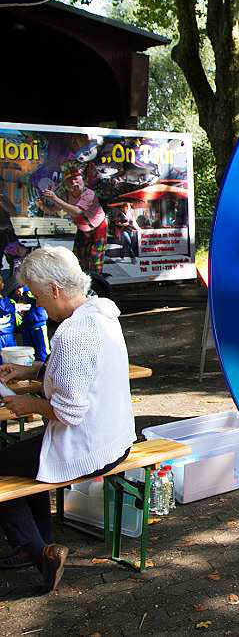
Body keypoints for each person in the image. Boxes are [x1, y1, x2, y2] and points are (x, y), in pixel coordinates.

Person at [0, 246, 135, 592]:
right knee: (17, 457)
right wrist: (33, 369)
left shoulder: (73, 333)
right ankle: (39, 541)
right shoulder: (102, 314)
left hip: (90, 448)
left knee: (5, 463)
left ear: (55, 290)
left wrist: (28, 404)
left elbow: (69, 412)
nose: (37, 304)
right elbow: (82, 374)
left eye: (38, 295)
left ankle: (38, 552)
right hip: (115, 438)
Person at [38, 168, 108, 275]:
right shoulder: (67, 195)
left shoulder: (89, 193)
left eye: (76, 179)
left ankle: (97, 281)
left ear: (82, 179)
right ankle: (82, 278)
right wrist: (42, 205)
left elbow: (77, 211)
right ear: (66, 184)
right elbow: (54, 210)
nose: (74, 182)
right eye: (70, 181)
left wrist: (55, 198)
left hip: (99, 227)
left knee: (96, 256)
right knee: (78, 256)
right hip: (83, 227)